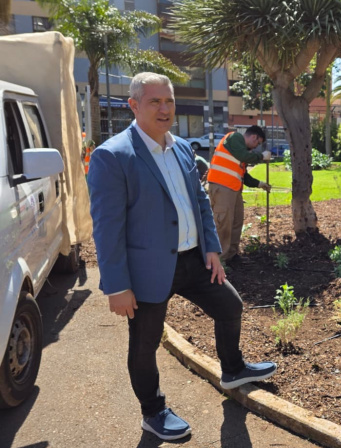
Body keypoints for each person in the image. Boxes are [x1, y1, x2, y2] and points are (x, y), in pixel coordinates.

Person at [88, 72, 277, 442]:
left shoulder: (182, 149)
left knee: (231, 306)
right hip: (147, 270)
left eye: (169, 101)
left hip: (193, 260)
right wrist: (117, 286)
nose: (164, 109)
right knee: (145, 342)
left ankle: (233, 369)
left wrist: (212, 248)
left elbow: (201, 203)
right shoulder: (112, 156)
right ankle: (152, 411)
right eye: (154, 101)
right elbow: (107, 229)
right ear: (134, 105)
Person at [207, 125, 272, 263]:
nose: (256, 147)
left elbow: (244, 176)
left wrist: (259, 184)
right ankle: (219, 261)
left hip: (233, 190)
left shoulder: (239, 152)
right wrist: (261, 156)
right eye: (257, 143)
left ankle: (232, 255)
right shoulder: (235, 137)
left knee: (236, 222)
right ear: (254, 137)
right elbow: (245, 156)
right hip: (222, 187)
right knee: (223, 224)